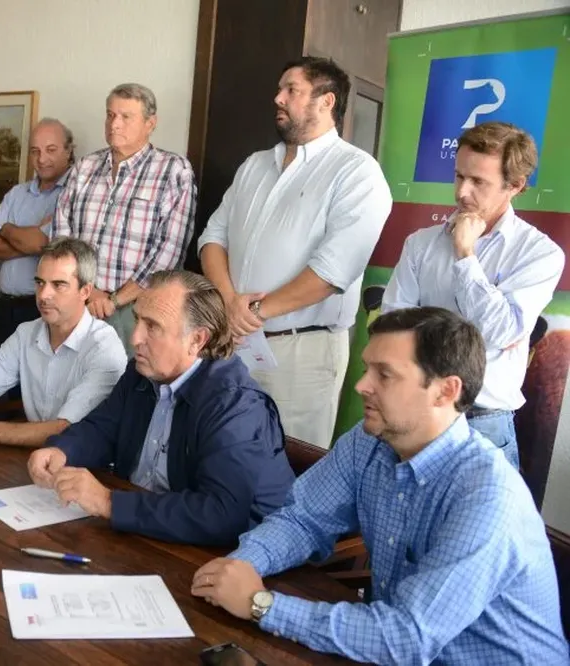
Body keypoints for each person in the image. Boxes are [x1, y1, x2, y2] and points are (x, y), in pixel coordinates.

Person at [191, 307, 568, 664]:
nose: (361, 385)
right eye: (367, 369)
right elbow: (303, 521)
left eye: (384, 374)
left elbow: (407, 638)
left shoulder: (487, 495)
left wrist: (262, 605)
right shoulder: (369, 440)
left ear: (445, 391)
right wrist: (238, 566)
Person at [198, 56, 392, 449]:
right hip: (233, 339)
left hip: (301, 352)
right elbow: (212, 238)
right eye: (280, 88)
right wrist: (231, 302)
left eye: (292, 90)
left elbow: (332, 271)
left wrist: (251, 313)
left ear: (327, 101)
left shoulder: (357, 172)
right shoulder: (254, 165)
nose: (278, 98)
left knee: (288, 466)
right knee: (218, 454)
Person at [26, 270, 294, 546]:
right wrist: (62, 451)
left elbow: (221, 515)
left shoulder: (235, 406)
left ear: (197, 340)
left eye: (152, 327)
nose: (135, 338)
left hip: (240, 559)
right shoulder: (142, 372)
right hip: (152, 531)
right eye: (136, 320)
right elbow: (102, 429)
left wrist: (109, 502)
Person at [382, 122, 565, 468]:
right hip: (415, 410)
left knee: (478, 524)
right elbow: (392, 329)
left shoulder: (540, 254)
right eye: (458, 176)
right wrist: (476, 332)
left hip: (484, 424)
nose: (462, 191)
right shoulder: (420, 243)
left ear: (515, 186)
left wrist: (465, 255)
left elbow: (500, 331)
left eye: (478, 181)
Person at [0, 238, 126, 447]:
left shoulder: (104, 347)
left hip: (84, 469)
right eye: (40, 283)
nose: (44, 295)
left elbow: (65, 429)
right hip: (32, 459)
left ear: (85, 291)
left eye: (59, 285)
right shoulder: (27, 332)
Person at [53, 83, 197, 356]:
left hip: (135, 309)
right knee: (70, 383)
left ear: (150, 123)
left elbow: (169, 251)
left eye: (126, 116)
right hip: (78, 299)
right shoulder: (84, 167)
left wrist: (114, 299)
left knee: (126, 386)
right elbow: (62, 236)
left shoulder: (173, 171)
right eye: (110, 115)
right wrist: (89, 292)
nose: (114, 124)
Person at [0, 118, 74, 351]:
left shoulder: (74, 194)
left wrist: (7, 229)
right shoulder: (16, 193)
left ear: (68, 151)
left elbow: (40, 243)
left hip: (43, 310)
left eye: (51, 150)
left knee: (35, 385)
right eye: (35, 151)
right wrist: (28, 239)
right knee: (0, 383)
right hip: (6, 308)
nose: (42, 159)